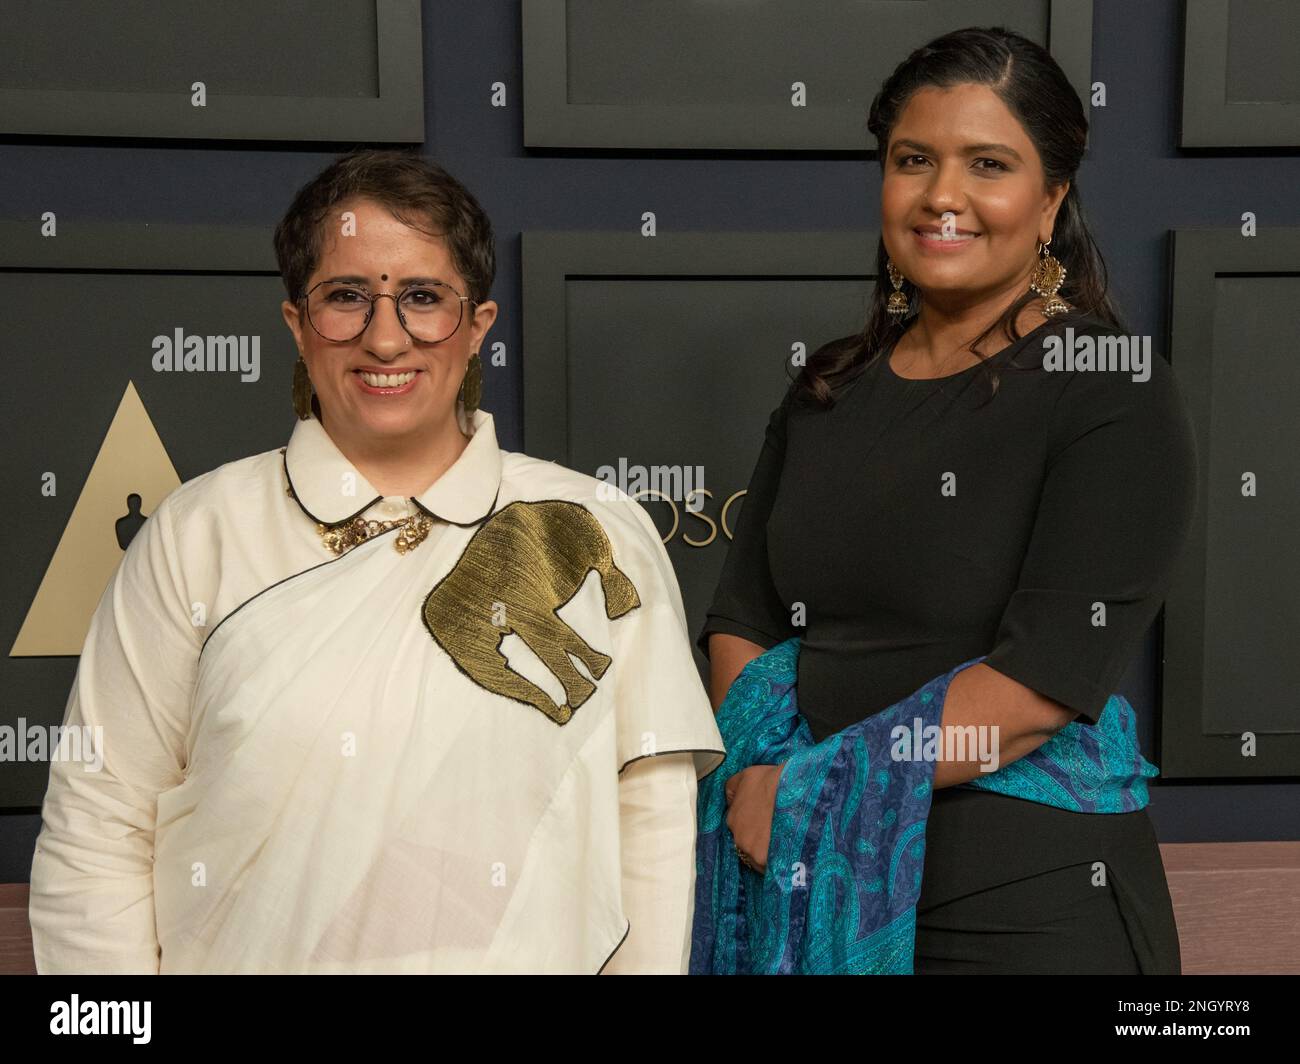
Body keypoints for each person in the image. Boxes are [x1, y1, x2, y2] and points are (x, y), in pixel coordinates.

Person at [28, 149, 724, 974]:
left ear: (479, 326)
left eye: (423, 298)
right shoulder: (197, 534)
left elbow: (649, 819)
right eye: (347, 297)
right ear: (296, 322)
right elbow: (98, 829)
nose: (385, 337)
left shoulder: (592, 523)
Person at [695, 27, 1196, 974]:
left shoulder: (1107, 385)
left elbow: (1039, 686)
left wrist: (808, 789)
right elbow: (742, 618)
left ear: (1050, 201)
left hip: (1025, 906)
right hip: (798, 876)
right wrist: (756, 786)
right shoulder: (828, 392)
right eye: (913, 160)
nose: (942, 197)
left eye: (989, 164)